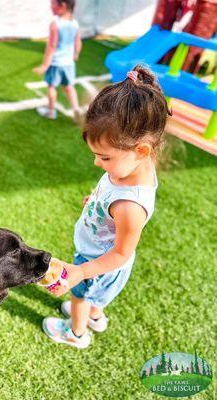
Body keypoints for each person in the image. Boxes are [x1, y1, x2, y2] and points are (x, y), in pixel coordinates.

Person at [42, 65, 172, 348]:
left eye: (104, 157)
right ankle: (95, 316)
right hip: (101, 258)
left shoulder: (130, 205)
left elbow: (121, 254)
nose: (97, 163)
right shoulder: (128, 169)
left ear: (141, 151)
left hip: (97, 260)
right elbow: (111, 196)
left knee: (79, 294)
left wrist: (81, 272)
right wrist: (97, 203)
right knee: (97, 296)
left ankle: (75, 332)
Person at [33, 0, 82, 121]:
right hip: (68, 64)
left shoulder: (55, 24)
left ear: (63, 6)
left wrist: (45, 65)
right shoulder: (74, 23)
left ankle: (50, 112)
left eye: (53, 4)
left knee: (51, 87)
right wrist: (76, 54)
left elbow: (52, 45)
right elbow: (77, 41)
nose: (51, 7)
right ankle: (76, 109)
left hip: (55, 63)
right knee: (69, 87)